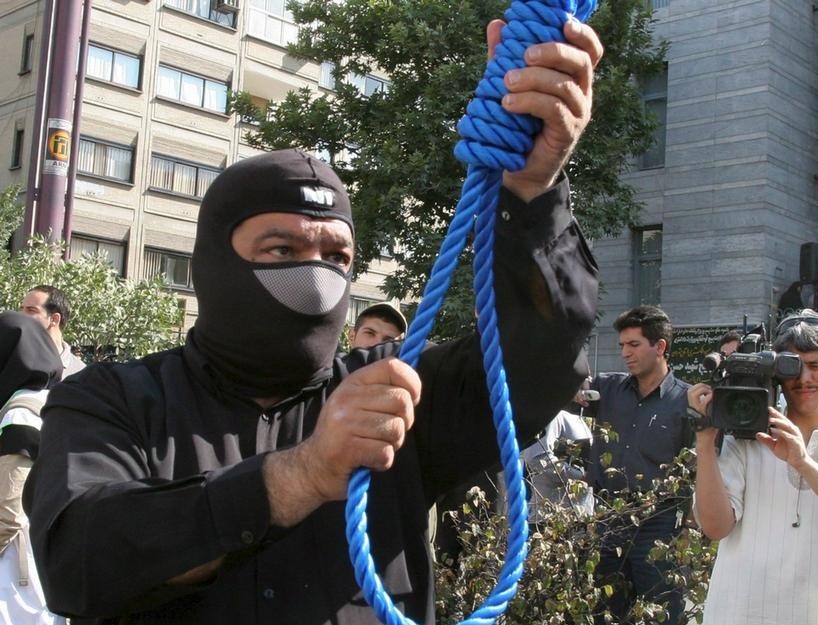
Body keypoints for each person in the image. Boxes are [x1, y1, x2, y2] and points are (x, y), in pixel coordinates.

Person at [25, 19, 603, 625]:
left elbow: (542, 355)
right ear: (214, 263)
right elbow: (77, 561)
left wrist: (534, 192)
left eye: (336, 257)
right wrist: (300, 476)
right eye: (282, 251)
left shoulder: (399, 392)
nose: (317, 278)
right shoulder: (110, 400)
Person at [690, 310, 818, 625]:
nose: (804, 379)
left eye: (817, 366)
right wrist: (705, 442)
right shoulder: (746, 439)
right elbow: (716, 527)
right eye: (794, 367)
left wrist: (803, 462)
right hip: (737, 613)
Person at [586, 305, 692, 625]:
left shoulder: (686, 402)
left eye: (634, 345)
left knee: (660, 613)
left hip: (660, 526)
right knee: (605, 613)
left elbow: (697, 470)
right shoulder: (604, 389)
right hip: (608, 519)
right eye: (622, 346)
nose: (625, 353)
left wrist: (688, 529)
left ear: (660, 347)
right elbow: (559, 388)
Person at [0, 313, 64, 625]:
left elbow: (8, 511)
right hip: (42, 560)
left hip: (13, 572)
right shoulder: (53, 401)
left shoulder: (20, 413)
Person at [523, 400, 594, 527]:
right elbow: (537, 458)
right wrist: (580, 477)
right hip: (548, 518)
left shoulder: (581, 420)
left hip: (581, 517)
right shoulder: (551, 416)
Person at [19, 286, 85, 379]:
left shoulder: (81, 374)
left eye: (31, 310)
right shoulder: (12, 362)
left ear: (54, 319)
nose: (21, 315)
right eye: (21, 309)